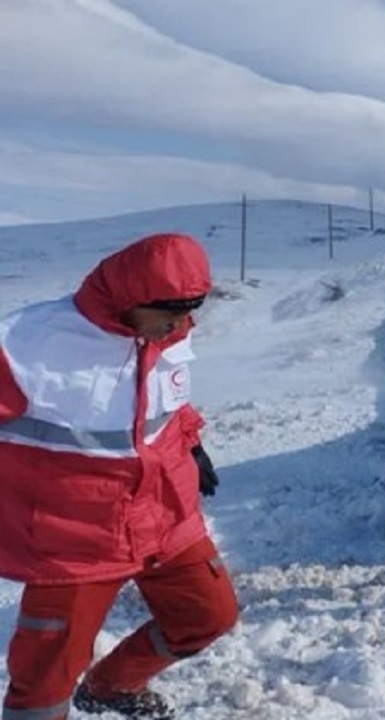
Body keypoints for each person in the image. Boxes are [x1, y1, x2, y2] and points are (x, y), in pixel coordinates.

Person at [0, 234, 239, 720]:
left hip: (164, 517)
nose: (181, 325)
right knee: (45, 677)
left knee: (207, 616)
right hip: (75, 541)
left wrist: (192, 443)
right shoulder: (29, 343)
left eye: (190, 312)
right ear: (131, 301)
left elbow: (168, 403)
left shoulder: (169, 329)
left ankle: (111, 686)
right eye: (169, 315)